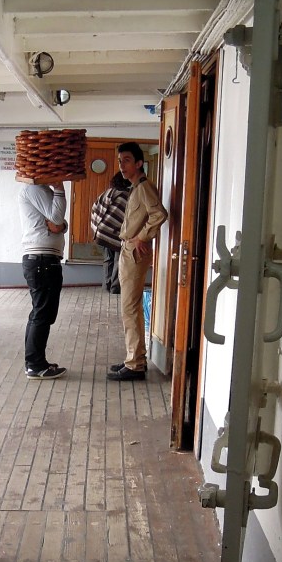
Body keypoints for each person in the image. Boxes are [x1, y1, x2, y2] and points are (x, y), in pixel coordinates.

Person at [107, 142, 168, 382]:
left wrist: (143, 236)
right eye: (120, 161)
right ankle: (134, 359)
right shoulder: (136, 187)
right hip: (128, 249)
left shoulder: (143, 187)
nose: (122, 165)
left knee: (130, 309)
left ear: (139, 163)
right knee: (128, 308)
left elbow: (159, 214)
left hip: (134, 251)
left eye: (127, 161)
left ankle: (135, 364)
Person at [19, 181, 68, 380]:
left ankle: (34, 362)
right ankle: (35, 365)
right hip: (42, 260)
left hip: (42, 259)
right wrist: (60, 189)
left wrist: (61, 226)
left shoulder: (41, 190)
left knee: (40, 313)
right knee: (42, 314)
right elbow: (57, 219)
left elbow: (59, 224)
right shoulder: (35, 189)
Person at [90, 171, 131, 293]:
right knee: (119, 260)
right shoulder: (126, 195)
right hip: (116, 232)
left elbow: (95, 207)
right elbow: (128, 216)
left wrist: (96, 226)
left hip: (102, 231)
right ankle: (115, 287)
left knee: (108, 259)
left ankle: (106, 285)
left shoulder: (109, 192)